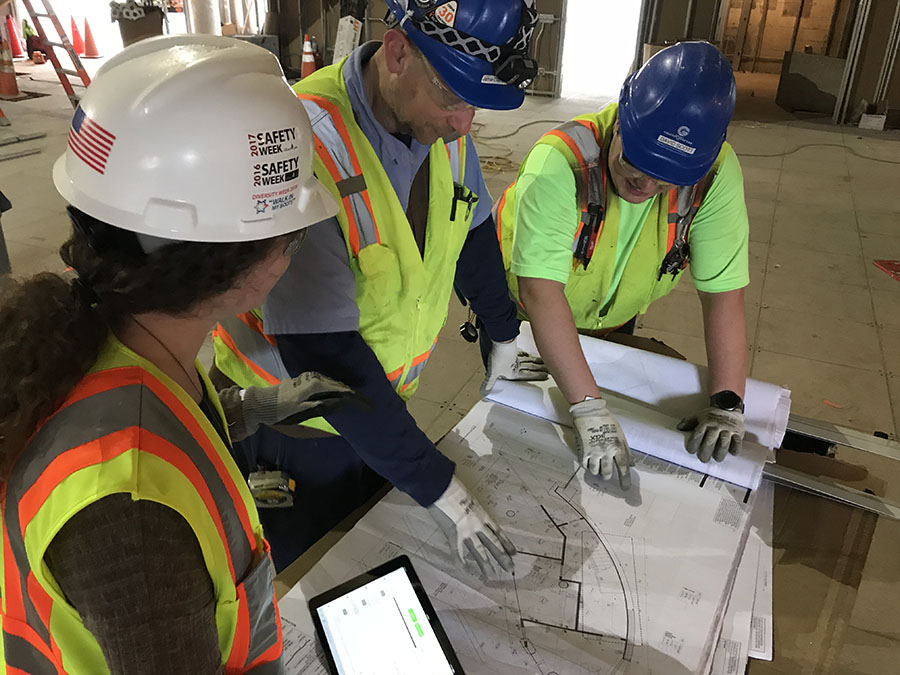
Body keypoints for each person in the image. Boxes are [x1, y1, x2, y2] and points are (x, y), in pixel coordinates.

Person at [0, 35, 357, 673]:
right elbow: (139, 472)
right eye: (292, 237)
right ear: (244, 259)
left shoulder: (115, 334)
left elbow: (150, 416)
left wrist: (247, 407)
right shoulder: (134, 518)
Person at [213, 0, 548, 575]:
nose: (464, 124)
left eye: (476, 103)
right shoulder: (303, 148)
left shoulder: (443, 124)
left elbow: (468, 226)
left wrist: (504, 332)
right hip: (294, 434)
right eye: (451, 96)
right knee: (307, 585)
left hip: (380, 418)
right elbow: (327, 356)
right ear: (397, 52)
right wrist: (441, 487)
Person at [493, 41, 749, 490]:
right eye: (637, 161)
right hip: (525, 325)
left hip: (611, 318)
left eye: (665, 176)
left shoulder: (712, 176)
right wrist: (588, 408)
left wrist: (728, 401)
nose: (644, 184)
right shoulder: (560, 163)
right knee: (523, 443)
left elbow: (723, 293)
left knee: (597, 456)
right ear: (621, 121)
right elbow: (540, 293)